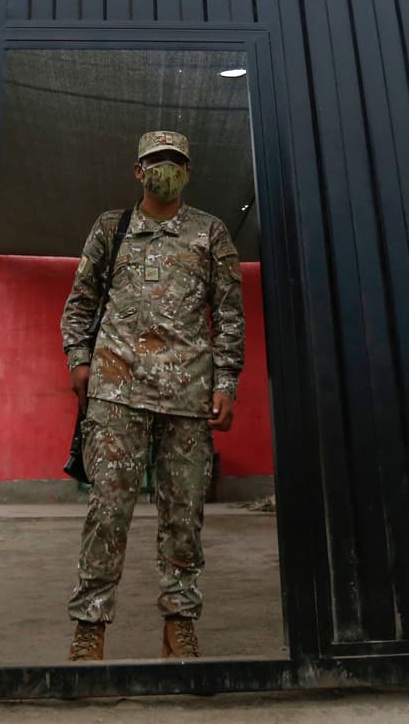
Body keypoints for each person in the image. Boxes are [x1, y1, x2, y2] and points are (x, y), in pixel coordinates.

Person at [60, 129, 246, 661]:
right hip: (116, 394)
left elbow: (230, 316)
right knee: (107, 513)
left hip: (188, 399)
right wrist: (79, 358)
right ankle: (89, 629)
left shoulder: (211, 234)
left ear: (187, 171)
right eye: (156, 161)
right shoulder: (110, 228)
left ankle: (180, 624)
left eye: (175, 162)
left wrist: (226, 384)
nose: (166, 169)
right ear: (137, 171)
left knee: (184, 518)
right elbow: (80, 302)